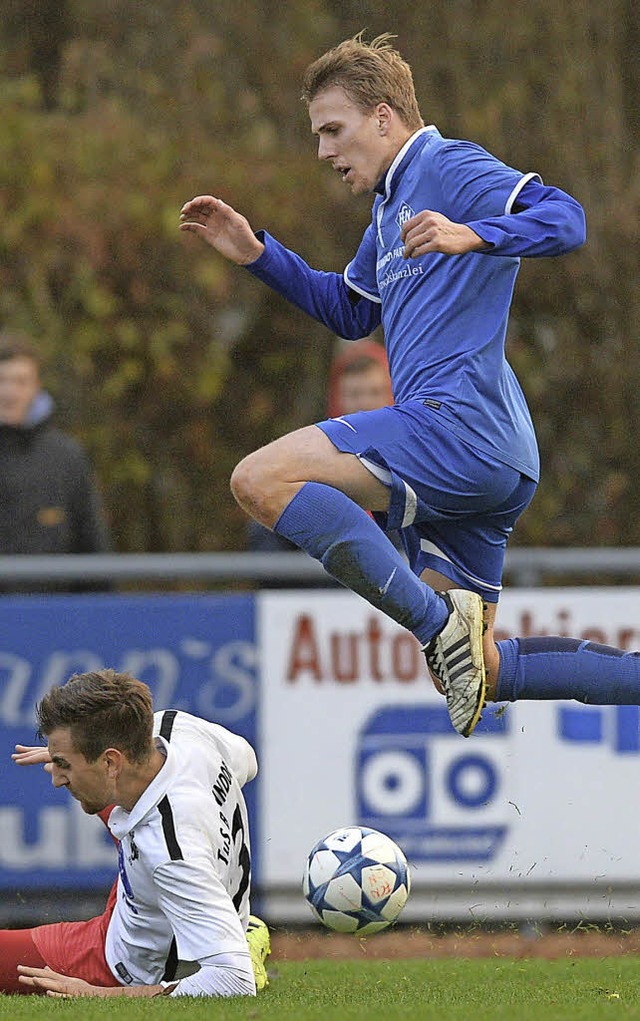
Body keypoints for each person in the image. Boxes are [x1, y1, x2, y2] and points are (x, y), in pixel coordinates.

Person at [179, 33, 640, 739]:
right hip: (493, 452)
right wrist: (256, 254)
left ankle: (436, 625)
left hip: (455, 428)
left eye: (333, 130)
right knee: (476, 668)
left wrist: (473, 235)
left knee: (258, 481)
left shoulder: (448, 166)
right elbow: (350, 311)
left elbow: (567, 219)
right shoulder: (389, 209)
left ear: (385, 118)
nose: (325, 152)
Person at [1, 669, 270, 998]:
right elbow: (248, 760)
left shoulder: (171, 854)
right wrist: (72, 759)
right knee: (121, 811)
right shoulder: (175, 729)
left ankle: (234, 940)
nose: (56, 778)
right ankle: (234, 931)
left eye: (63, 765)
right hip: (150, 887)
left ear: (111, 762)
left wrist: (96, 995)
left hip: (118, 963)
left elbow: (233, 982)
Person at [246, 335, 394, 561]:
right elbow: (269, 535)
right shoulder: (310, 459)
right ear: (338, 398)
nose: (364, 404)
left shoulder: (410, 458)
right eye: (354, 394)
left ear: (390, 397)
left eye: (373, 393)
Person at [0, 330, 111, 591]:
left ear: (36, 386)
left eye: (20, 381)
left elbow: (92, 544)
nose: (9, 392)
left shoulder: (67, 458)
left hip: (53, 619)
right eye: (2, 380)